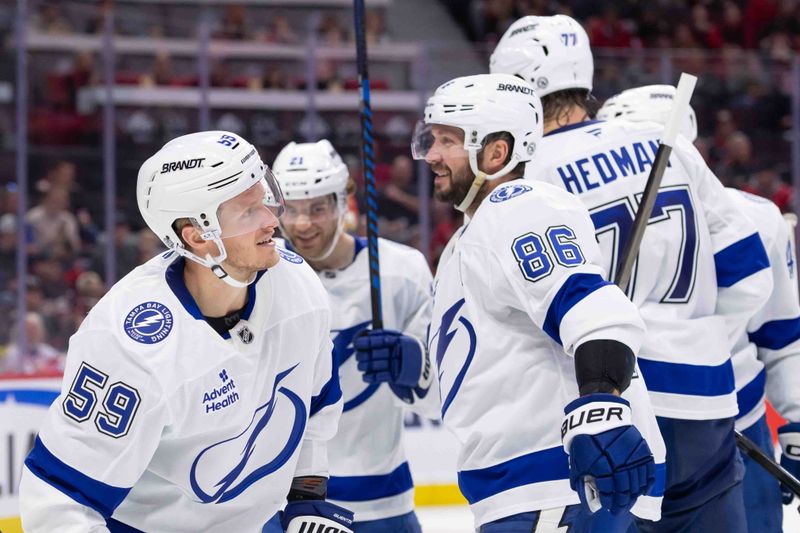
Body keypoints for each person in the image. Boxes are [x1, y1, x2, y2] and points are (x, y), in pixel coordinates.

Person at [491, 17, 773, 532]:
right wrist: (696, 346)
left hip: (610, 412)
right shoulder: (664, 143)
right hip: (707, 408)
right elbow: (750, 275)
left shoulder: (526, 176)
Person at [19, 131, 354, 533]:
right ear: (197, 236)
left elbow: (316, 404)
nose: (272, 219)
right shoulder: (128, 343)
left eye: (265, 198)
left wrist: (306, 497)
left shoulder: (298, 285)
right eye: (248, 212)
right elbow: (60, 500)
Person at [411, 72, 666, 532]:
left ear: (497, 151)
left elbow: (592, 312)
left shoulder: (517, 205)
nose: (431, 155)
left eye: (446, 141)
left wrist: (601, 409)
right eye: (431, 140)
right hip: (527, 488)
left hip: (561, 482)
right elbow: (476, 380)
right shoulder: (469, 239)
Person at [598, 84, 800, 533]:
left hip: (722, 433)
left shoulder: (754, 217)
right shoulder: (754, 216)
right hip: (638, 429)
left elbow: (782, 336)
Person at [271, 139, 436, 532]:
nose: (302, 224)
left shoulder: (402, 271)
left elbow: (443, 403)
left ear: (345, 199)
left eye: (317, 207)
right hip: (283, 501)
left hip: (382, 502)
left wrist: (414, 366)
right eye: (289, 210)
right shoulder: (259, 276)